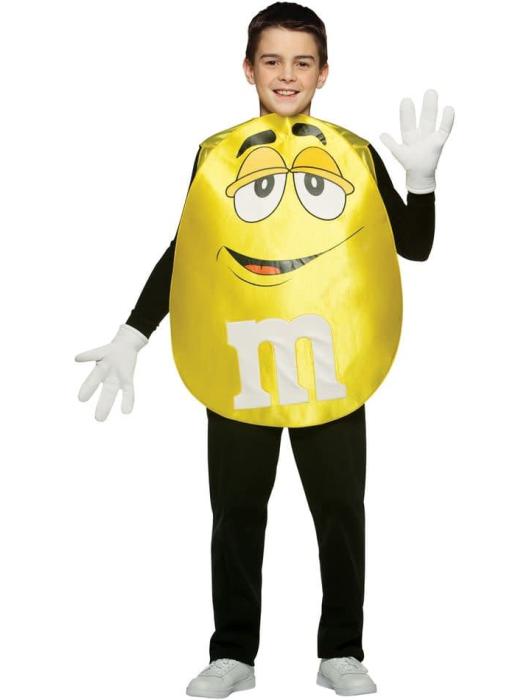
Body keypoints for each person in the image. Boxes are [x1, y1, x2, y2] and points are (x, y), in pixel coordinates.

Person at [75, 2, 454, 696]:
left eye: (302, 62)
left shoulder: (353, 153)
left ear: (324, 72)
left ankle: (341, 651)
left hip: (331, 360)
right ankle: (233, 655)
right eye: (272, 60)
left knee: (339, 510)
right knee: (237, 512)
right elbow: (191, 250)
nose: (287, 74)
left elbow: (415, 247)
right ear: (248, 69)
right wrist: (134, 332)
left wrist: (422, 183)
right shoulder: (217, 154)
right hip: (240, 358)